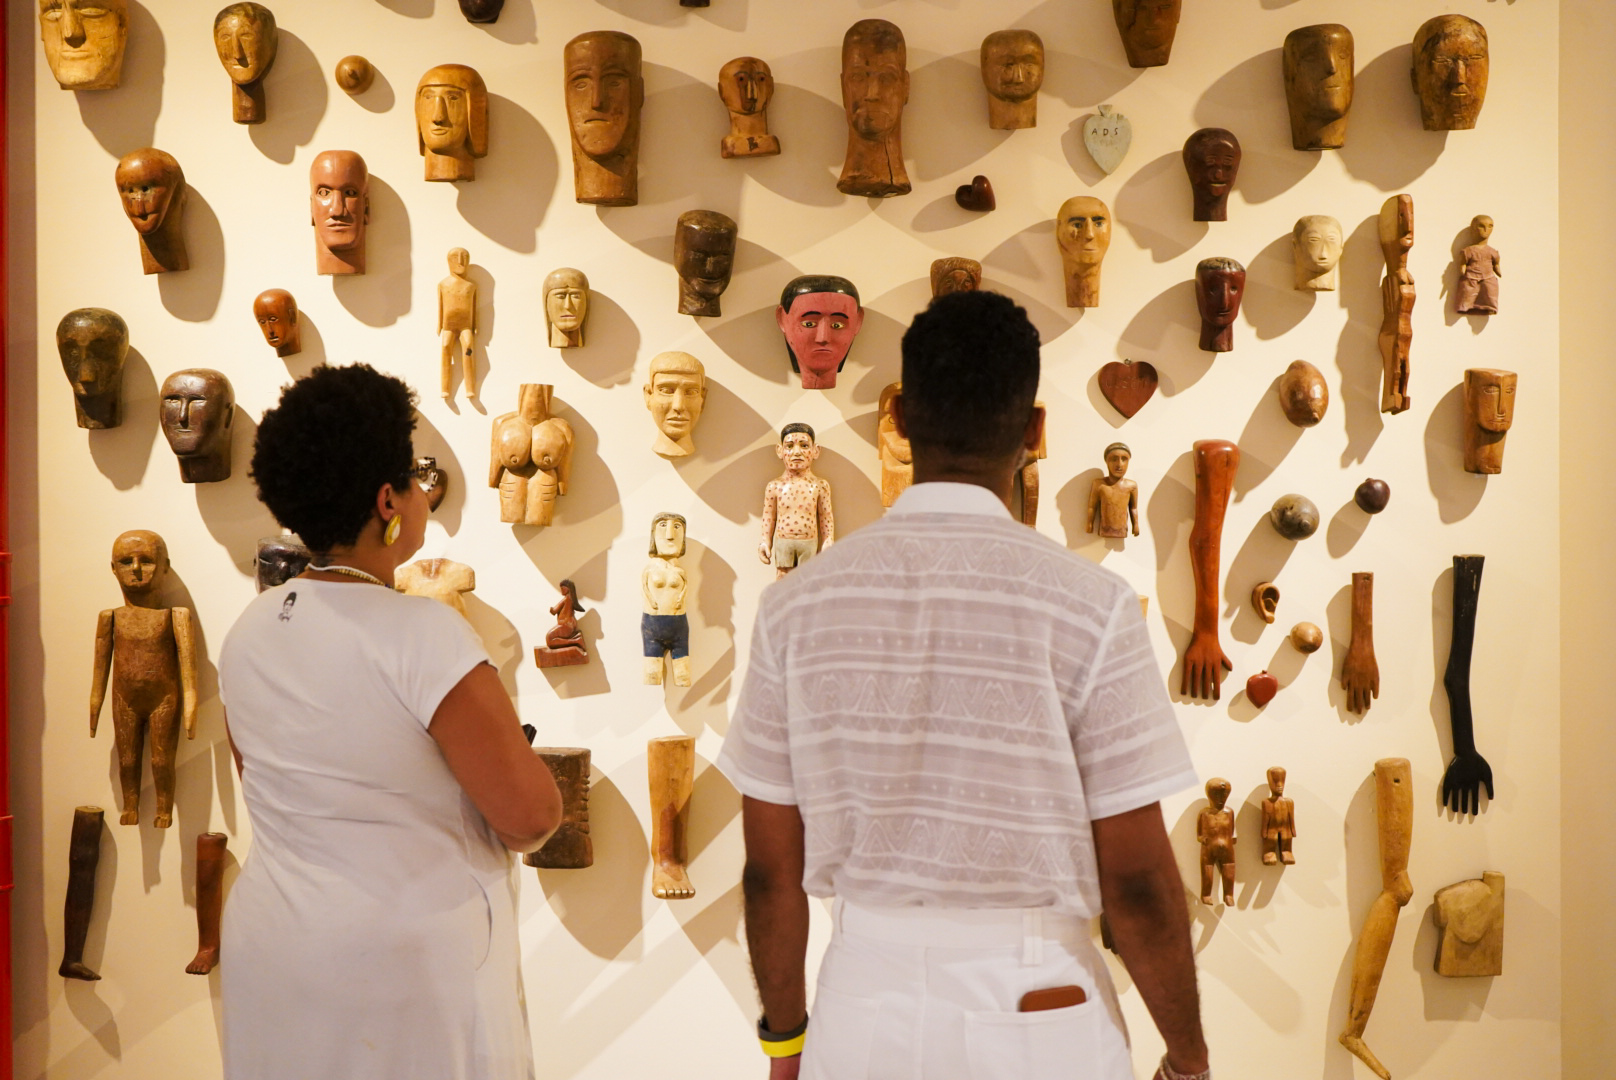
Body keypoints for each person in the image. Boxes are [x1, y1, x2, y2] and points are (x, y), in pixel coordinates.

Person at [720, 291, 1210, 1080]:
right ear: (1032, 430)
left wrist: (785, 1045)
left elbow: (770, 870)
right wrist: (1188, 1057)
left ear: (903, 419)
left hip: (864, 1003)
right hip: (1042, 1007)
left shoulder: (795, 608)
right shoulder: (1092, 608)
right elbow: (1140, 879)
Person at [218, 363, 561, 1080]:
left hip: (274, 940)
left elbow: (268, 782)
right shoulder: (423, 634)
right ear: (387, 502)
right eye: (409, 476)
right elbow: (530, 816)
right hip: (400, 966)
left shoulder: (249, 630)